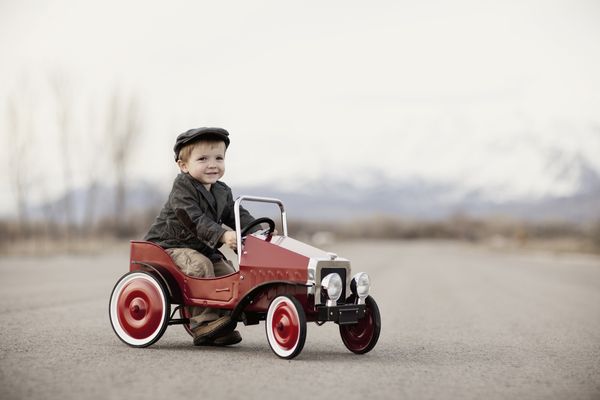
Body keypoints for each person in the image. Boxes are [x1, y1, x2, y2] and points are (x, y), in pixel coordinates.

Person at [144, 127, 255, 346]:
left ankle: (222, 322)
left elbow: (236, 215)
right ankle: (202, 323)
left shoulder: (221, 191)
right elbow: (193, 219)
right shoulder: (182, 188)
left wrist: (256, 230)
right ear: (184, 165)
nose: (213, 164)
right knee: (201, 266)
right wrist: (222, 235)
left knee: (228, 273)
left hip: (200, 247)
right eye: (203, 158)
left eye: (219, 158)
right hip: (169, 246)